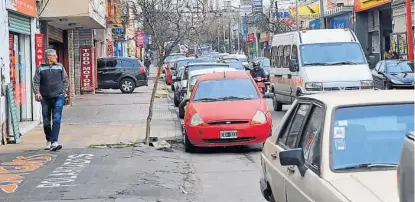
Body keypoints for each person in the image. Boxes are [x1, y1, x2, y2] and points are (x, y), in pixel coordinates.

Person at [33, 49, 69, 151]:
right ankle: (49, 139)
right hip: (45, 97)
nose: (56, 57)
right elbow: (35, 82)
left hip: (58, 96)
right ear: (48, 57)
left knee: (56, 119)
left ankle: (54, 141)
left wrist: (63, 91)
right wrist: (37, 92)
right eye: (54, 56)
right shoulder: (40, 68)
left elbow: (66, 80)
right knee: (46, 121)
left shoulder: (60, 66)